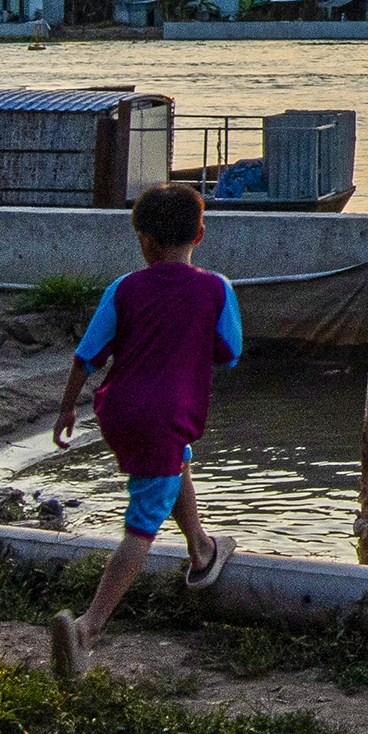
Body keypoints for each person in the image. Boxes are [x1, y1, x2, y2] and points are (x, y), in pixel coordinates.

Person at [48, 183, 240, 679]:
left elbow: (87, 355)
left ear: (144, 241)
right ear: (200, 231)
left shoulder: (124, 288)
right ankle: (87, 630)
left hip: (119, 410)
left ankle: (201, 549)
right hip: (166, 413)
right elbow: (230, 351)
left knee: (174, 468)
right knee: (141, 527)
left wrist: (67, 410)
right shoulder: (216, 288)